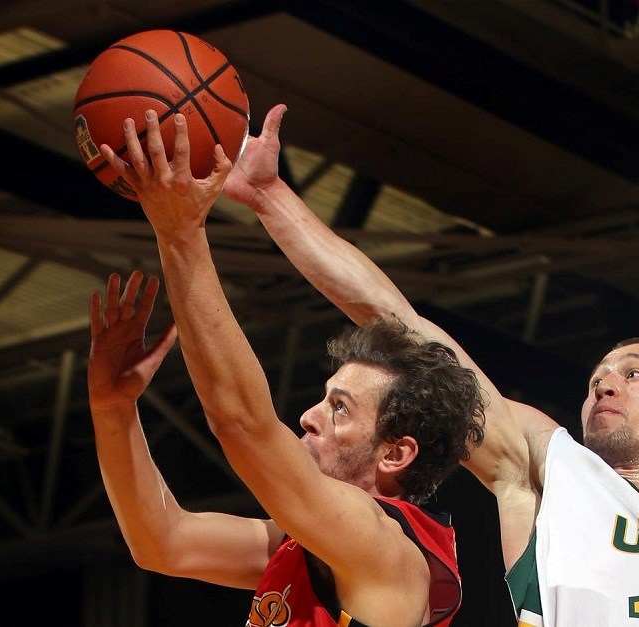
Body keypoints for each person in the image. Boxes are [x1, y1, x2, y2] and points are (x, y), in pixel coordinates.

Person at [221, 104, 639, 626]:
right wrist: (270, 198)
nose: (604, 380)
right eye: (600, 372)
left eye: (633, 373)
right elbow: (398, 322)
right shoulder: (550, 468)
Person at [87, 110, 487, 626]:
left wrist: (181, 233)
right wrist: (113, 411)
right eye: (325, 398)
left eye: (340, 408)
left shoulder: (386, 549)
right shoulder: (300, 544)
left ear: (395, 453)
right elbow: (163, 541)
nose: (309, 416)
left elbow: (243, 426)